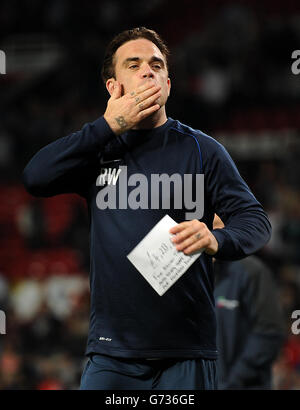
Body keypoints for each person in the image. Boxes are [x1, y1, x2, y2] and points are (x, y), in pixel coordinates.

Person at [22, 27, 272, 390]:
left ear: (168, 84)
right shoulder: (97, 150)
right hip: (111, 353)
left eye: (156, 65)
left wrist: (216, 238)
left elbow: (255, 221)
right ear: (114, 86)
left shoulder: (202, 150)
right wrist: (108, 126)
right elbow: (35, 177)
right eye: (134, 64)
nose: (147, 71)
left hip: (186, 351)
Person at [213, 215, 285, 389]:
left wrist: (231, 383)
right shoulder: (188, 274)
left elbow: (269, 332)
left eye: (215, 226)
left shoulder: (251, 271)